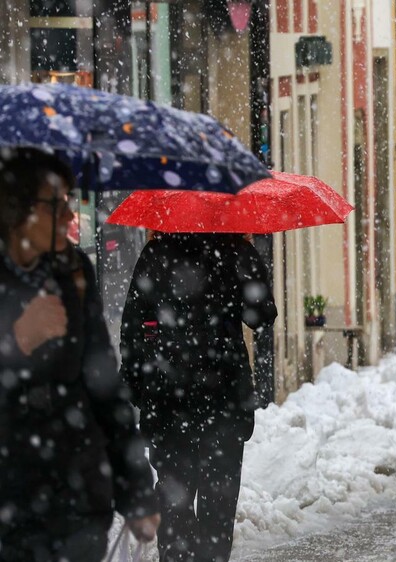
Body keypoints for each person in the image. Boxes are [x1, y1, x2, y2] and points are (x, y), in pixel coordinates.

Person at [0, 148, 160, 561]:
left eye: (70, 200)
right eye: (56, 204)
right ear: (17, 209)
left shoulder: (73, 274)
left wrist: (136, 491)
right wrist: (17, 340)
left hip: (77, 502)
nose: (70, 215)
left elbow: (103, 386)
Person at [119, 232, 277, 562]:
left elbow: (133, 326)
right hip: (223, 404)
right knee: (217, 512)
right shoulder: (235, 251)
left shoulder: (157, 253)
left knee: (174, 509)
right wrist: (249, 268)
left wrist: (137, 385)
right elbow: (262, 315)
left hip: (169, 402)